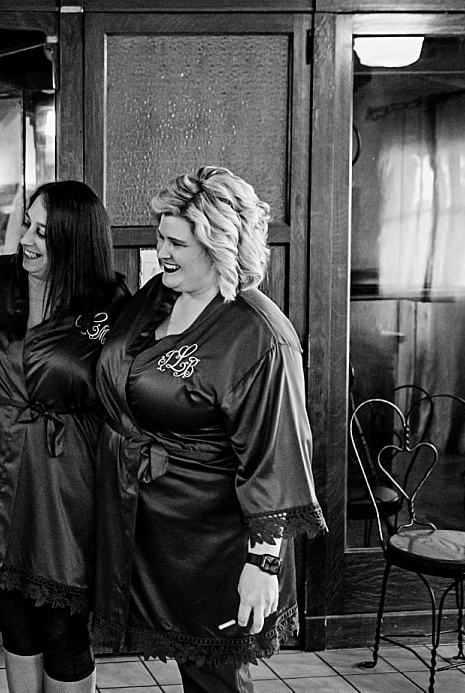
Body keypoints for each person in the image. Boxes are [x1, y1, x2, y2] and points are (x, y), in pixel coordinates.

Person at [92, 166, 327, 693]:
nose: (162, 252)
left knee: (215, 681)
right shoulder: (159, 294)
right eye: (160, 237)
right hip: (155, 526)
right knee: (191, 672)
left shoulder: (257, 334)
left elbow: (278, 453)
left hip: (216, 541)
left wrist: (262, 563)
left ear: (220, 246)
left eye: (177, 242)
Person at [0, 180, 131, 692]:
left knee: (62, 623)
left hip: (62, 473)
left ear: (75, 240)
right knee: (13, 615)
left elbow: (125, 392)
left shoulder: (110, 300)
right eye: (26, 224)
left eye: (43, 233)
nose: (26, 239)